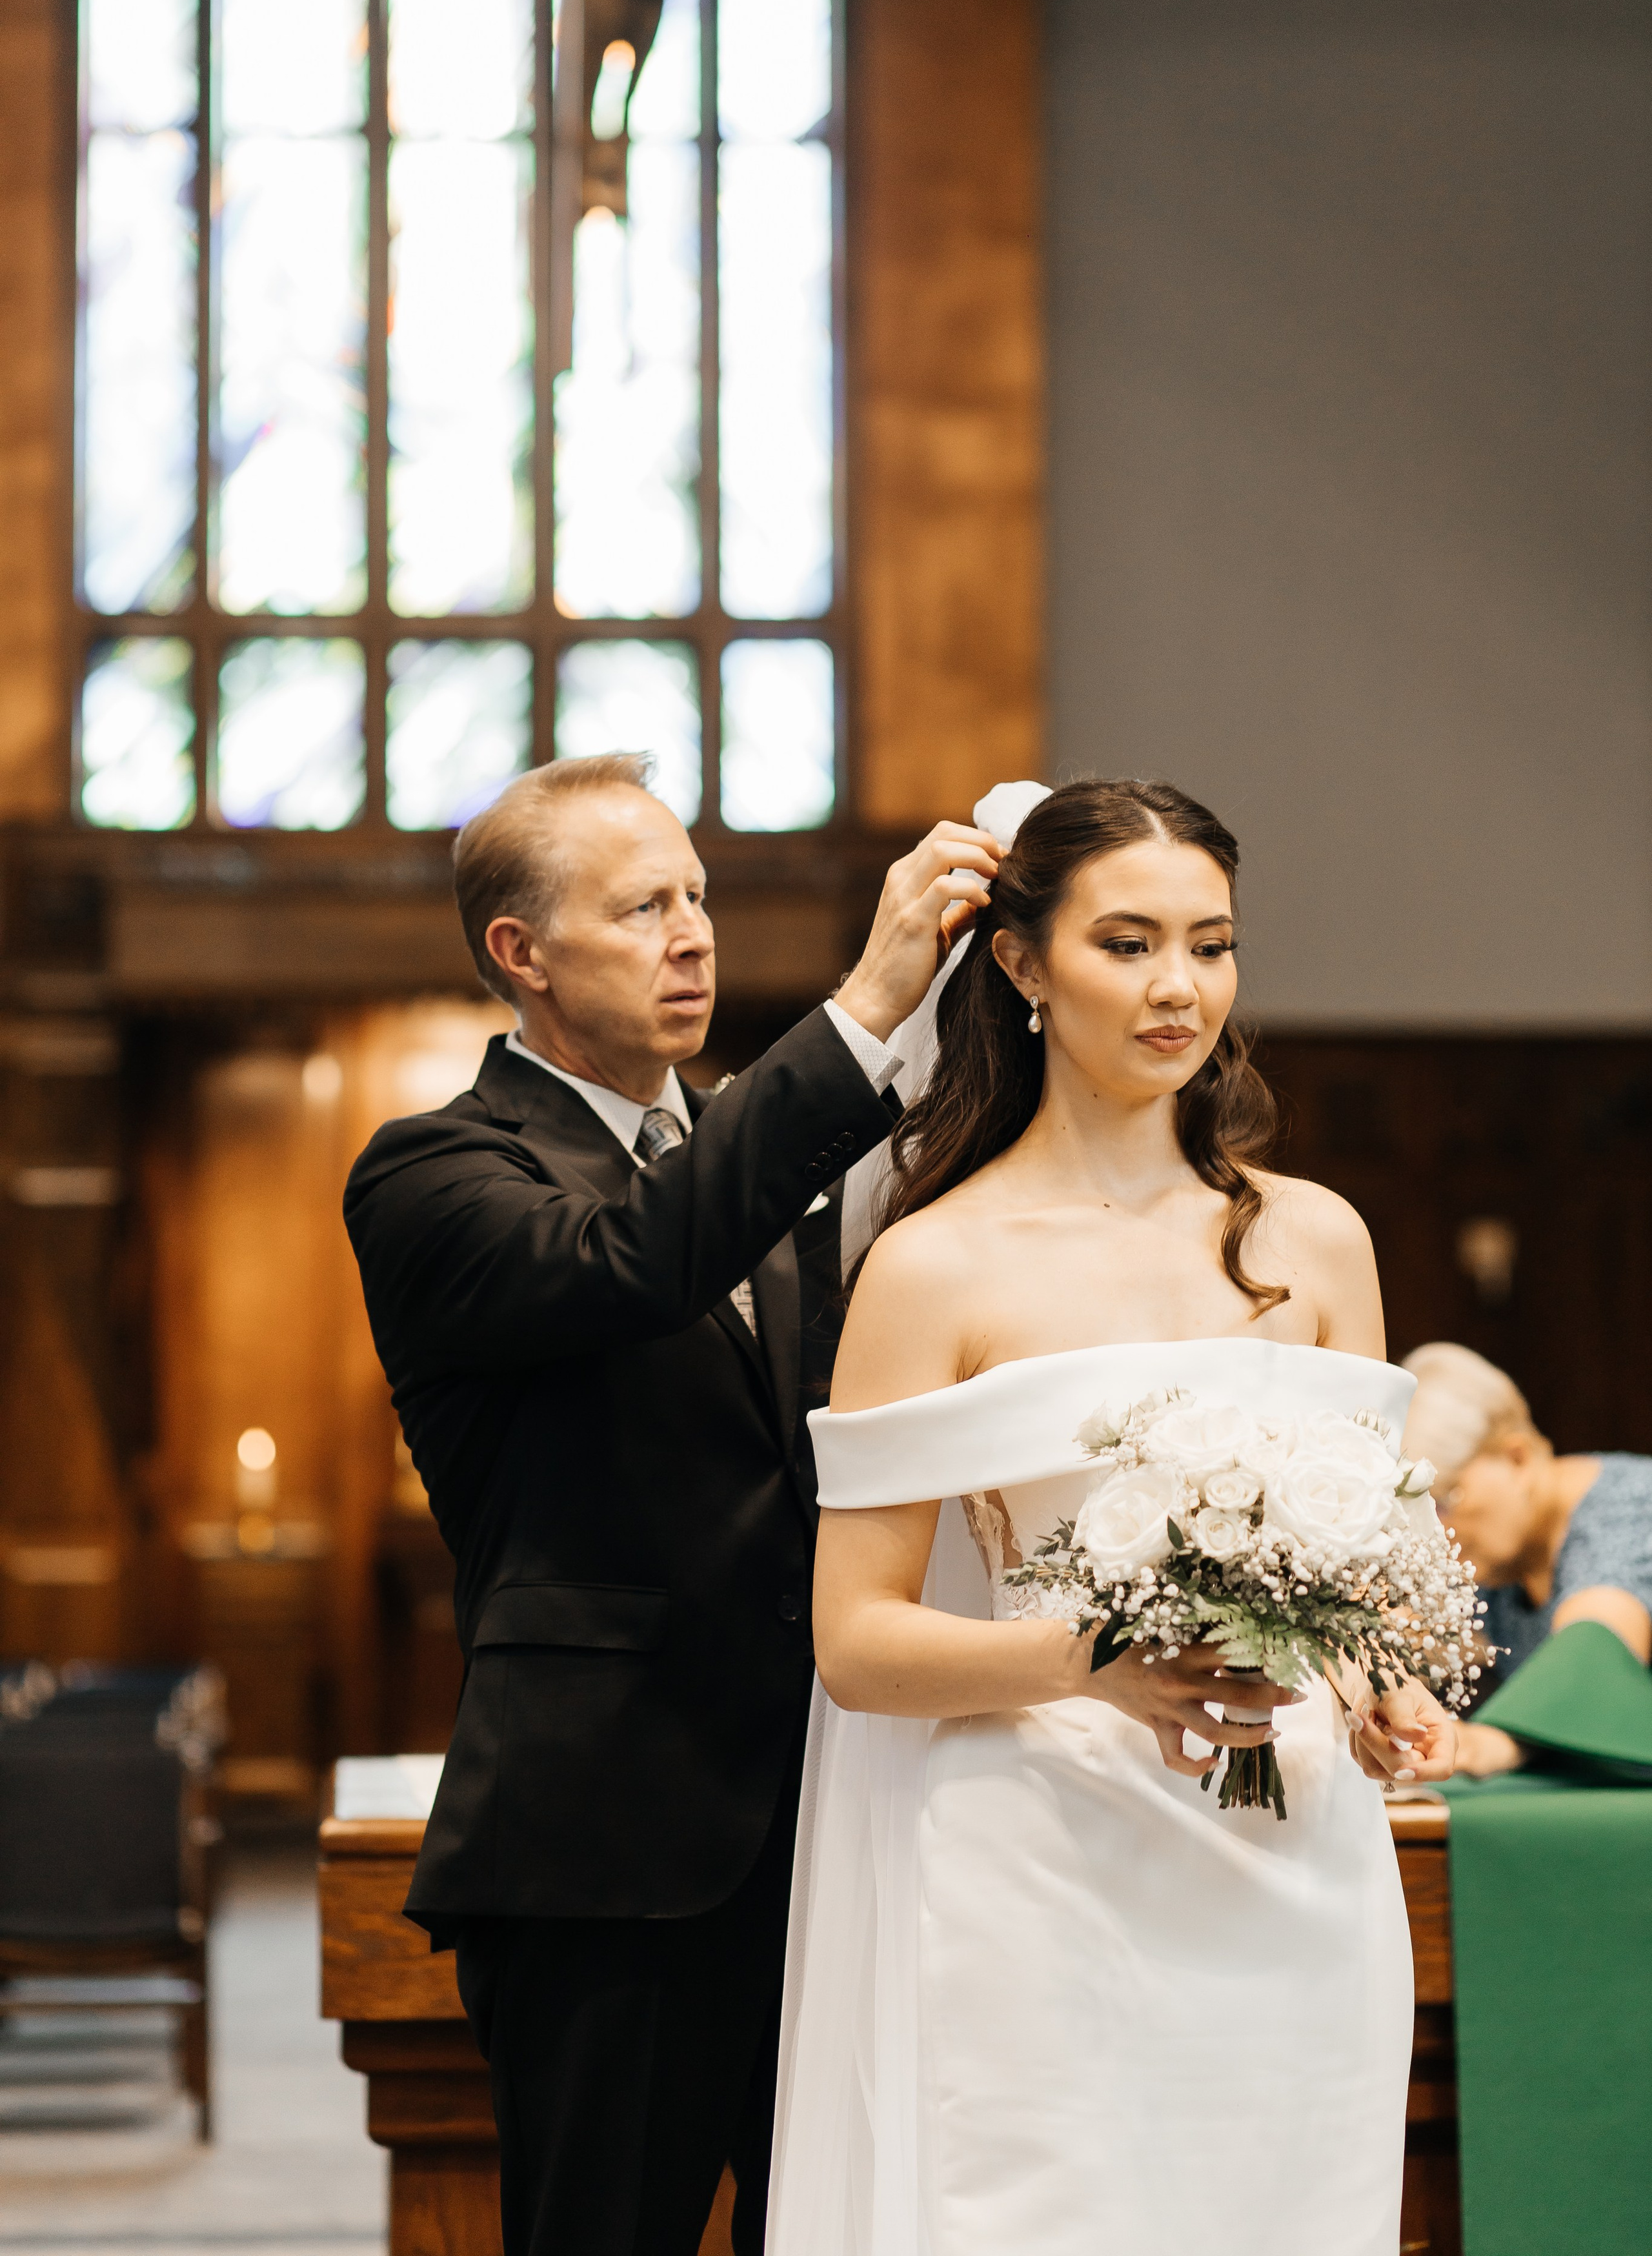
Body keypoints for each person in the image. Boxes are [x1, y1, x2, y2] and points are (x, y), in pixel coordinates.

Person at [768, 776, 1456, 2256]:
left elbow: (1367, 1551)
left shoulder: (1315, 1235)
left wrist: (1382, 1678)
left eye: (1207, 945)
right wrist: (1089, 1656)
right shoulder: (933, 1266)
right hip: (1037, 1863)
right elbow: (855, 1642)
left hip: (1292, 1866)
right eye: (1127, 942)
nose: (1175, 987)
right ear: (1020, 964)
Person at [343, 751, 1002, 2256]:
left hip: (831, 1817)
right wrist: (863, 1009)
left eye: (698, 894)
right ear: (522, 951)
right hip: (610, 1847)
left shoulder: (755, 1159)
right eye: (643, 906)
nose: (694, 933)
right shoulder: (438, 1171)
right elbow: (635, 1263)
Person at [1402, 1342, 1652, 1777]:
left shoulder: (1631, 1507)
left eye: (1443, 1502)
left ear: (1516, 1458)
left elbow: (1595, 1651)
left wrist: (1484, 1745)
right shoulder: (1500, 1561)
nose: (1434, 1534)